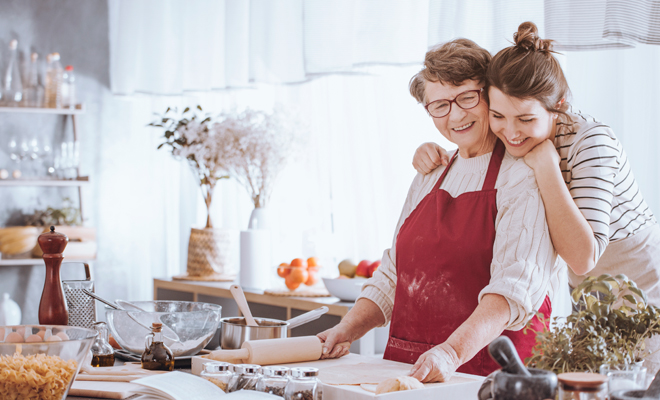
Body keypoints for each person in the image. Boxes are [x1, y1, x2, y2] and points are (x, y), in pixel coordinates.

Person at [412, 22, 660, 369]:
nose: (510, 132)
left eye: (525, 119)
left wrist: (546, 166)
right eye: (498, 115)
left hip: (637, 280)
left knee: (634, 385)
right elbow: (475, 143)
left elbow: (582, 256)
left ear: (557, 106)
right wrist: (428, 150)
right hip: (585, 290)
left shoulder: (592, 142)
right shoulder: (518, 134)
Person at [318, 38, 562, 382]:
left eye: (467, 97)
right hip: (411, 370)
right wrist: (345, 330)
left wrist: (451, 352)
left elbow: (514, 290)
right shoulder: (430, 173)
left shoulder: (522, 175)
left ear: (489, 95)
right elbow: (393, 274)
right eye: (440, 105)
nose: (456, 115)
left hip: (488, 375)